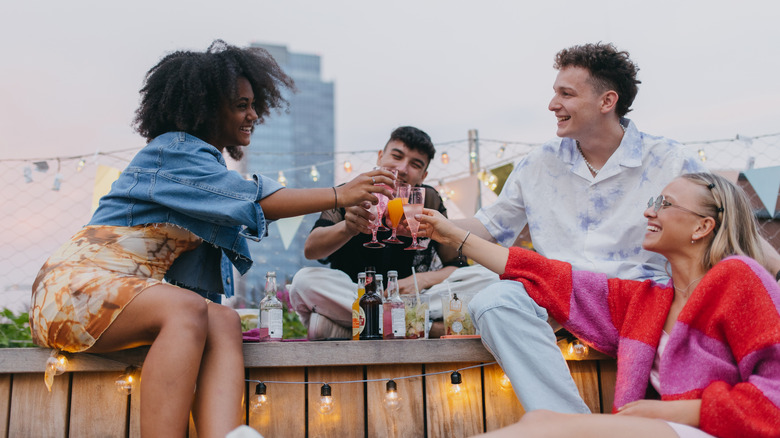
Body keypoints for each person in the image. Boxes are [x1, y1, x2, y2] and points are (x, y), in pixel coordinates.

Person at [29, 40, 393, 438]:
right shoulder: (173, 151)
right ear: (203, 108)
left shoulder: (205, 165)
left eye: (255, 104)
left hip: (124, 293)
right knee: (187, 310)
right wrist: (340, 194)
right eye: (241, 104)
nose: (253, 114)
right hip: (74, 289)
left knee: (222, 320)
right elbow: (251, 199)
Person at [448, 42, 780, 413]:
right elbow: (490, 226)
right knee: (493, 301)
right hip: (560, 291)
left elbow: (734, 232)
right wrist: (432, 224)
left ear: (607, 101)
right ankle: (571, 425)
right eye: (554, 91)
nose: (552, 103)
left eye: (566, 93)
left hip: (639, 300)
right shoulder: (537, 163)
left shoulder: (671, 160)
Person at [420, 172, 780, 438]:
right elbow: (546, 275)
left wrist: (673, 411)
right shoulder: (647, 303)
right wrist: (451, 234)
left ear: (702, 227)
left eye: (664, 204)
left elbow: (774, 401)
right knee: (538, 421)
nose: (649, 212)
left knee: (545, 431)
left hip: (719, 431)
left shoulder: (738, 278)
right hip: (666, 427)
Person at [288, 126, 499, 340]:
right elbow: (311, 250)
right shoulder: (349, 192)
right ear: (381, 157)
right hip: (354, 295)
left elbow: (456, 267)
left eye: (415, 164)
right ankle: (422, 328)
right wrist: (347, 228)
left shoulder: (428, 199)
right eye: (396, 156)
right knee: (304, 281)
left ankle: (352, 327)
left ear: (423, 175)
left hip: (412, 298)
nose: (402, 168)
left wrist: (420, 280)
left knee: (489, 277)